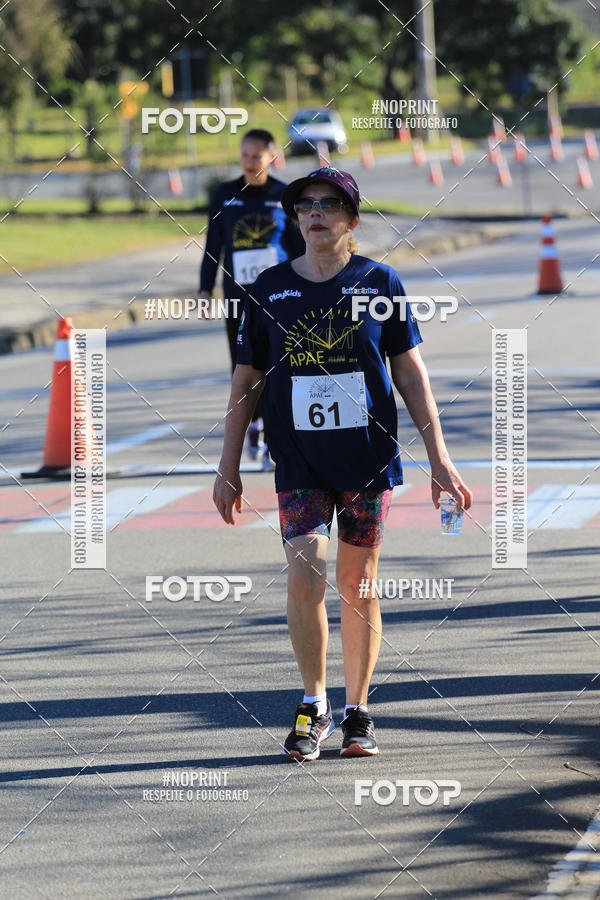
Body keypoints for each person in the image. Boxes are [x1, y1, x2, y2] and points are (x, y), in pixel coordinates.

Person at [213, 166, 473, 759]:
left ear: (352, 219)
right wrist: (228, 464)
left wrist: (440, 460)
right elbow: (246, 381)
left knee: (359, 582)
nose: (316, 213)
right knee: (305, 575)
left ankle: (358, 710)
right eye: (306, 204)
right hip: (298, 460)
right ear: (295, 217)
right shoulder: (270, 288)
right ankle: (314, 704)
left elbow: (410, 373)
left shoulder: (379, 282)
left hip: (366, 460)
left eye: (329, 204)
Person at [199, 128, 304, 470]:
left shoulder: (284, 194)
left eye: (256, 156)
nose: (249, 162)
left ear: (271, 157)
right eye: (244, 155)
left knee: (277, 367)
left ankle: (274, 438)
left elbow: (299, 247)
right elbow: (214, 246)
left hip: (279, 298)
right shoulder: (225, 195)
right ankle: (254, 424)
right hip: (237, 299)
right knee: (244, 368)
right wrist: (204, 289)